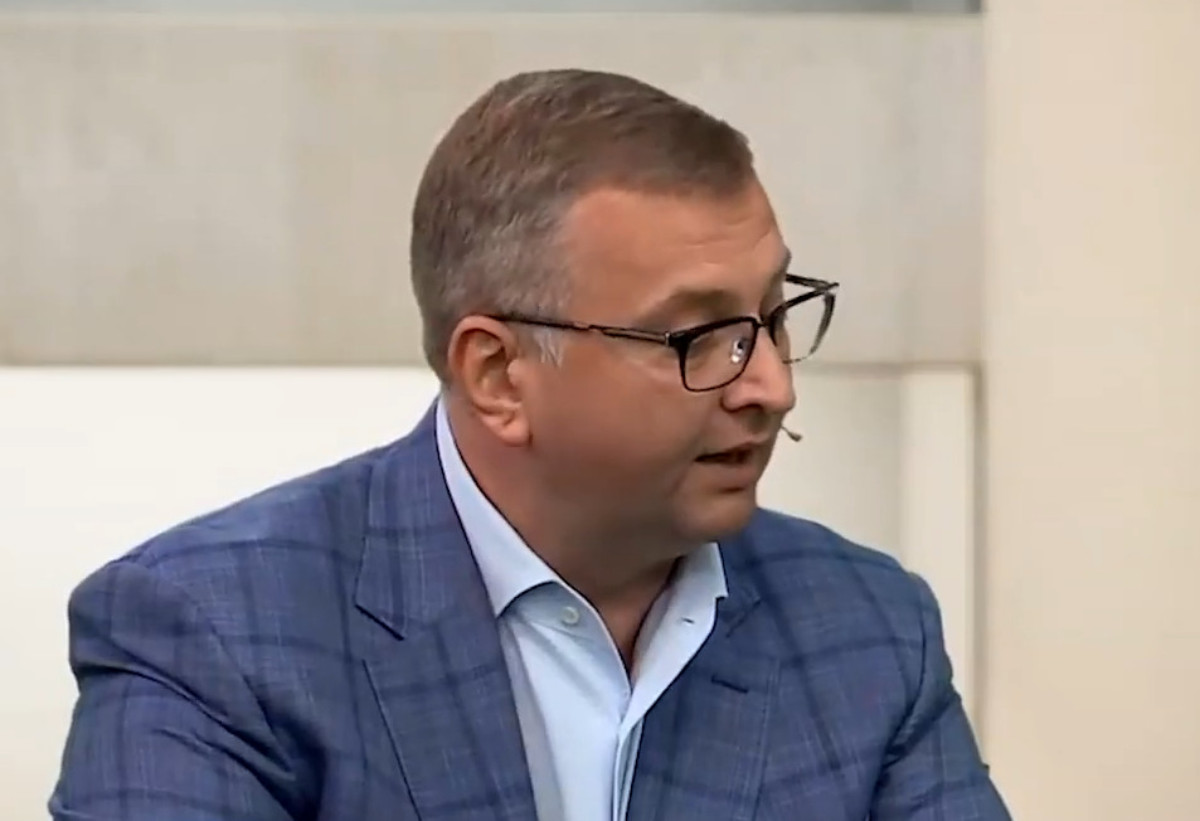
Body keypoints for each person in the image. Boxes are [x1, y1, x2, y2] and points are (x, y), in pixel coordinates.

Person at [50, 68, 1009, 821]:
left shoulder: (868, 627)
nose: (772, 385)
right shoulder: (212, 633)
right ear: (499, 374)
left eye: (773, 316)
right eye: (698, 336)